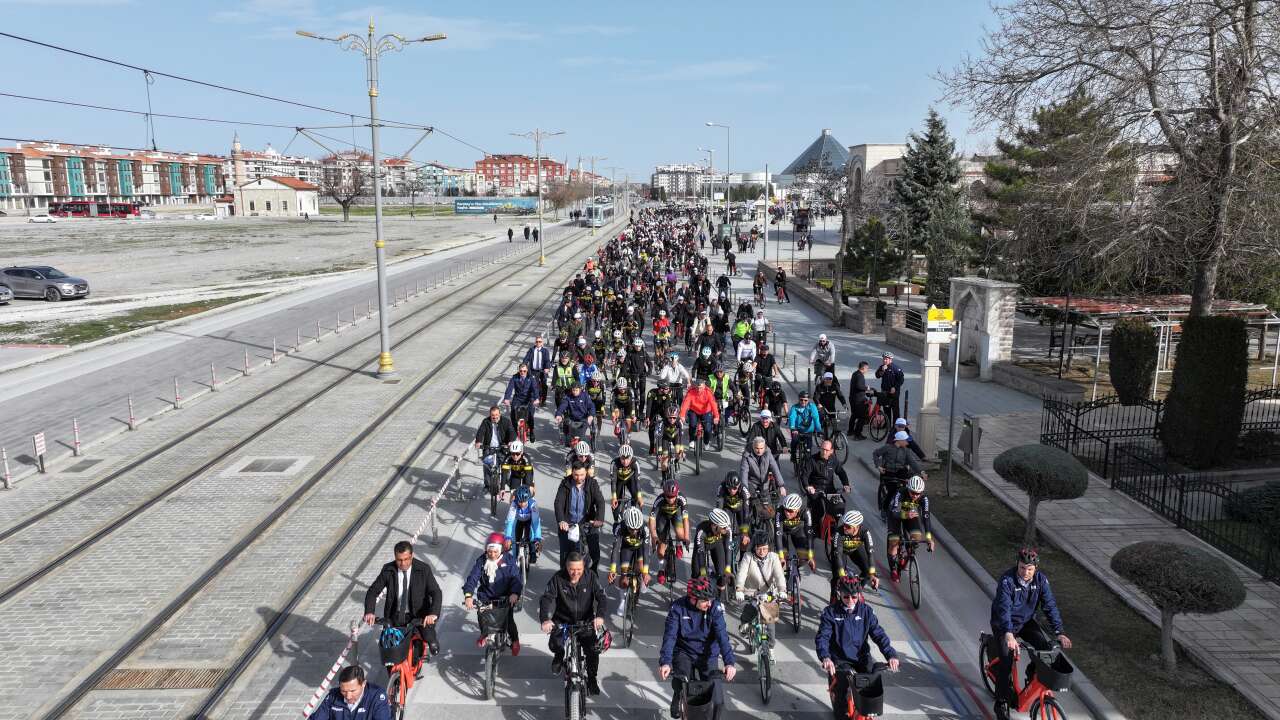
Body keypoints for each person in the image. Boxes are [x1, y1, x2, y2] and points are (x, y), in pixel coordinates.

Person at [990, 548, 1072, 720]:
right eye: (1022, 567)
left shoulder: (1041, 581)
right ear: (1017, 564)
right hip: (1004, 625)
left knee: (1045, 649)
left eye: (1029, 569)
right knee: (1006, 662)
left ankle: (1031, 672)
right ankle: (1001, 702)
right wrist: (1008, 634)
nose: (1025, 572)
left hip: (1025, 622)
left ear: (1036, 568)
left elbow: (1050, 606)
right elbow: (1004, 609)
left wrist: (1059, 632)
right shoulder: (1007, 581)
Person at [816, 577, 901, 717]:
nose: (850, 601)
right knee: (841, 702)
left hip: (862, 657)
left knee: (870, 691)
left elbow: (879, 635)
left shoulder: (866, 612)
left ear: (859, 595)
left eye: (854, 597)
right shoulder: (830, 613)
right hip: (840, 660)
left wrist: (891, 655)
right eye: (846, 597)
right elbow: (823, 637)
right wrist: (825, 657)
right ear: (839, 594)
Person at [658, 577, 738, 719]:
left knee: (718, 701)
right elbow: (670, 636)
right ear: (693, 599)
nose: (709, 603)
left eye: (711, 600)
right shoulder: (678, 608)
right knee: (681, 680)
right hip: (684, 651)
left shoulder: (714, 608)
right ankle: (678, 695)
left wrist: (729, 663)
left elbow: (722, 636)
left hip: (708, 654)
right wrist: (665, 662)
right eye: (705, 600)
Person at [539, 552, 608, 696]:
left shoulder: (591, 577)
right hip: (563, 620)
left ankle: (592, 679)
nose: (575, 573)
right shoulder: (558, 578)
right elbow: (546, 598)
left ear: (584, 567)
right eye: (572, 569)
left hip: (585, 621)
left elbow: (601, 597)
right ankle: (559, 655)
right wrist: (545, 619)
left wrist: (600, 616)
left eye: (579, 569)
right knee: (554, 644)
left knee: (592, 651)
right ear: (566, 567)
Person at [363, 541, 443, 658]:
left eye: (406, 559)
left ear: (412, 556)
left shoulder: (423, 569)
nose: (403, 563)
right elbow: (373, 591)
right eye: (399, 560)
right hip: (395, 616)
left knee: (429, 639)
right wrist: (369, 612)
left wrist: (433, 614)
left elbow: (436, 592)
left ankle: (430, 643)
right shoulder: (388, 570)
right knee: (389, 647)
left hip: (419, 615)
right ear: (395, 557)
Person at [463, 532, 524, 655]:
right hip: (486, 596)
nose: (492, 554)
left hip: (505, 596)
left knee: (508, 619)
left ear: (501, 550)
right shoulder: (482, 560)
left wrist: (514, 593)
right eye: (490, 551)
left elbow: (516, 578)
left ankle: (515, 640)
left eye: (495, 552)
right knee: (482, 615)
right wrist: (468, 595)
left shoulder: (509, 560)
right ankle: (484, 634)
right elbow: (473, 578)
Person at [735, 530, 785, 650]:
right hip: (750, 592)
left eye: (765, 548)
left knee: (770, 625)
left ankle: (770, 649)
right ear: (754, 548)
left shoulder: (774, 557)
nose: (762, 552)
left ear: (769, 548)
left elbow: (779, 575)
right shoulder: (748, 557)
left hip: (768, 593)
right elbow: (742, 573)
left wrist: (782, 590)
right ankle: (745, 625)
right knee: (748, 614)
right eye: (759, 549)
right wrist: (739, 589)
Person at [555, 465, 606, 570]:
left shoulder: (592, 483)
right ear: (572, 472)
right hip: (569, 524)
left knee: (594, 553)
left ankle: (593, 575)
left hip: (588, 523)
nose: (579, 478)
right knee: (565, 556)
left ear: (586, 472)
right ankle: (563, 577)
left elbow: (600, 502)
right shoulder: (565, 483)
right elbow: (558, 503)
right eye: (576, 475)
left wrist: (599, 519)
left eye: (582, 475)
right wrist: (561, 521)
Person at [886, 475, 935, 582]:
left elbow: (926, 518)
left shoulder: (924, 499)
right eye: (912, 492)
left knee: (916, 538)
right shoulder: (900, 493)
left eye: (918, 493)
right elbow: (894, 512)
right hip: (896, 515)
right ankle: (893, 569)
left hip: (911, 516)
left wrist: (929, 538)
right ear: (908, 489)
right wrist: (905, 515)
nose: (915, 496)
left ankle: (907, 555)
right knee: (894, 542)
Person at [872, 432, 924, 520]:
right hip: (888, 472)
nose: (907, 443)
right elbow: (875, 454)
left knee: (909, 487)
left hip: (900, 471)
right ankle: (884, 509)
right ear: (900, 440)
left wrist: (921, 472)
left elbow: (912, 462)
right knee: (892, 491)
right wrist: (878, 466)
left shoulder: (906, 451)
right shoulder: (887, 448)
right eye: (906, 440)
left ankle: (907, 508)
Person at [309, 665, 392, 720]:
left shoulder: (377, 696)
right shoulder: (332, 696)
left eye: (352, 691)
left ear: (363, 684)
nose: (348, 696)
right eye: (343, 691)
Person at [649, 479, 691, 586]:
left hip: (676, 514)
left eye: (673, 497)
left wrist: (686, 537)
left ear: (677, 494)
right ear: (664, 493)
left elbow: (685, 520)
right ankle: (661, 569)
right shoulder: (659, 499)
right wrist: (654, 536)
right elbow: (652, 519)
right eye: (668, 496)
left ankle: (678, 544)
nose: (670, 499)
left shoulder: (682, 499)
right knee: (661, 549)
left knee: (680, 534)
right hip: (662, 516)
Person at [805, 439, 852, 533]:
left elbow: (841, 472)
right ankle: (813, 531)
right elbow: (804, 475)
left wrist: (846, 484)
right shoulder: (812, 460)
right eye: (822, 449)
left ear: (831, 451)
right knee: (818, 511)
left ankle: (833, 528)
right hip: (816, 489)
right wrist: (808, 486)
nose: (824, 452)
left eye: (826, 450)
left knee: (839, 507)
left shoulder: (834, 460)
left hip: (830, 489)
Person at [829, 510, 878, 599]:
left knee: (867, 571)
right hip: (841, 552)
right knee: (837, 576)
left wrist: (872, 574)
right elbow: (838, 555)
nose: (844, 528)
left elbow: (870, 553)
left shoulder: (865, 532)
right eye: (844, 524)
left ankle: (857, 591)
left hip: (855, 549)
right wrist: (842, 575)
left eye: (848, 526)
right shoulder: (838, 533)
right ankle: (833, 596)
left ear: (857, 527)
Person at [691, 508, 735, 592]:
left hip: (716, 544)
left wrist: (728, 569)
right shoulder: (701, 532)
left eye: (726, 527)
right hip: (702, 547)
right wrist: (703, 572)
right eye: (723, 527)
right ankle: (696, 594)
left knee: (722, 574)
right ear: (714, 526)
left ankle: (720, 594)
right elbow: (700, 552)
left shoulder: (727, 530)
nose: (726, 529)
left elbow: (728, 548)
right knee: (697, 574)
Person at [607, 505, 651, 589]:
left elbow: (646, 550)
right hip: (627, 548)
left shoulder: (645, 529)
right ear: (626, 524)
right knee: (623, 580)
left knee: (642, 569)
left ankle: (641, 579)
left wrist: (645, 572)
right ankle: (623, 597)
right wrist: (612, 569)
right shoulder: (620, 528)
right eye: (631, 529)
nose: (634, 531)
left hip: (640, 548)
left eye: (637, 529)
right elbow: (615, 549)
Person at [776, 492, 817, 581]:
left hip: (798, 530)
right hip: (783, 532)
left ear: (798, 510)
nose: (787, 513)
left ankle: (795, 569)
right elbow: (778, 534)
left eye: (791, 511)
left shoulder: (805, 511)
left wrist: (810, 556)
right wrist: (781, 557)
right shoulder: (780, 511)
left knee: (804, 557)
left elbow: (809, 534)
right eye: (786, 509)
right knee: (782, 560)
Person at [740, 435, 787, 502]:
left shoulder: (768, 453)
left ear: (764, 447)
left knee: (767, 504)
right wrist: (745, 488)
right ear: (753, 446)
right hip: (752, 483)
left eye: (761, 448)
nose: (759, 451)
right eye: (757, 448)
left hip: (764, 484)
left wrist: (781, 485)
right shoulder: (746, 455)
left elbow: (775, 468)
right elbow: (744, 472)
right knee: (750, 502)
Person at [503, 363, 541, 443]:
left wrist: (536, 399)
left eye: (524, 371)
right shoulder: (515, 377)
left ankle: (531, 431)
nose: (522, 373)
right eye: (521, 371)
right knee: (513, 413)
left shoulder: (531, 378)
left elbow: (535, 389)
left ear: (527, 371)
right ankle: (515, 431)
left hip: (529, 398)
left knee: (530, 415)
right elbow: (510, 388)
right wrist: (506, 398)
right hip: (518, 398)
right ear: (518, 371)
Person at [504, 484, 543, 563]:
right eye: (520, 502)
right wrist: (508, 537)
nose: (522, 504)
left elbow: (536, 522)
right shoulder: (514, 504)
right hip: (519, 521)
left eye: (524, 502)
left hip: (529, 521)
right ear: (517, 500)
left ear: (528, 499)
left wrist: (538, 538)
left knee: (530, 537)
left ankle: (532, 553)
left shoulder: (533, 504)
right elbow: (510, 522)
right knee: (516, 539)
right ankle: (515, 558)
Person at [678, 376, 721, 447]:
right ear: (695, 386)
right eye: (697, 388)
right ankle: (692, 440)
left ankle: (706, 442)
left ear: (704, 387)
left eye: (701, 388)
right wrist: (682, 415)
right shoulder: (691, 391)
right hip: (694, 411)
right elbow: (685, 403)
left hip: (706, 411)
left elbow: (713, 404)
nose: (699, 389)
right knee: (692, 425)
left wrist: (716, 416)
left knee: (707, 429)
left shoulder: (708, 392)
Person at [787, 390, 822, 459]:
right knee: (794, 441)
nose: (803, 402)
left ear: (808, 400)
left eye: (805, 400)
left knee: (809, 448)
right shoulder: (794, 407)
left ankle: (808, 459)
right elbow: (792, 417)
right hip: (797, 430)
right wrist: (793, 428)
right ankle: (793, 454)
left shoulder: (812, 407)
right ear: (799, 399)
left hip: (808, 430)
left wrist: (819, 430)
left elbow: (816, 418)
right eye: (801, 400)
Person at [874, 351, 905, 425]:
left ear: (891, 360)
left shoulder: (896, 368)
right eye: (884, 359)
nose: (884, 360)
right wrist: (882, 370)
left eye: (886, 359)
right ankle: (887, 426)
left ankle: (895, 427)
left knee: (895, 411)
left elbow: (901, 380)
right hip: (885, 392)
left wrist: (895, 387)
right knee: (886, 410)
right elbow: (877, 376)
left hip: (894, 394)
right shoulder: (882, 367)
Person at [814, 371, 848, 437]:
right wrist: (818, 404)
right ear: (824, 379)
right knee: (822, 419)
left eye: (830, 379)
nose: (828, 380)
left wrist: (844, 404)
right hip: (822, 407)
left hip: (831, 407)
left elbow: (840, 396)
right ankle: (819, 432)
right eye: (827, 379)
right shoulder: (819, 387)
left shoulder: (835, 386)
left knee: (834, 421)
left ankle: (836, 435)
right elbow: (815, 397)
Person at [846, 361, 871, 439]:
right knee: (862, 417)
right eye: (867, 368)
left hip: (853, 398)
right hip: (858, 400)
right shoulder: (860, 375)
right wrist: (866, 388)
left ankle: (850, 431)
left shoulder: (855, 373)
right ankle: (857, 434)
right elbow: (859, 386)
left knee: (854, 415)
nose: (867, 370)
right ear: (863, 368)